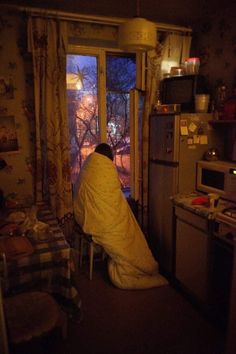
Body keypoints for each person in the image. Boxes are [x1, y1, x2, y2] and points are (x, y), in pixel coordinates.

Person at [73, 143, 167, 289]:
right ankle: (144, 266)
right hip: (101, 219)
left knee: (125, 230)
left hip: (89, 216)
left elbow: (108, 193)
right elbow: (115, 189)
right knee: (127, 234)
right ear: (108, 157)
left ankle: (141, 262)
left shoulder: (88, 167)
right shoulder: (103, 167)